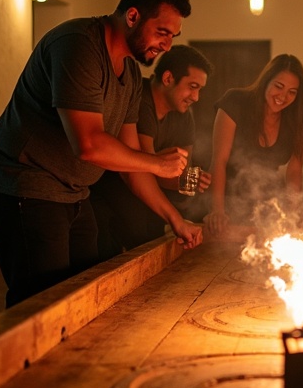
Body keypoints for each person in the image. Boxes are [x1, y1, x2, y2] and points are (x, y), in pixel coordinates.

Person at [0, 0, 203, 307]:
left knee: (85, 292)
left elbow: (129, 161)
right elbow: (89, 143)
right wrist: (157, 163)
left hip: (74, 192)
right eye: (162, 32)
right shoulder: (78, 45)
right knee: (40, 304)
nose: (167, 45)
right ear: (132, 16)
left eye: (173, 36)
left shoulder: (129, 72)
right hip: (25, 181)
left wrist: (175, 219)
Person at [91, 45, 213, 261]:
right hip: (110, 191)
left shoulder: (184, 115)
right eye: (192, 87)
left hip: (148, 198)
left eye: (201, 90)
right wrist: (175, 174)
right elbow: (144, 169)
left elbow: (180, 172)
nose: (196, 97)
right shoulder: (139, 99)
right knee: (139, 233)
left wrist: (192, 180)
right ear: (167, 78)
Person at [203, 54, 303, 235]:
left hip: (267, 204)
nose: (283, 96)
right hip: (225, 198)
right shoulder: (235, 101)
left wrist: (292, 214)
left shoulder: (295, 120)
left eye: (292, 92)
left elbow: (294, 172)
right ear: (266, 81)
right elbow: (219, 160)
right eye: (278, 86)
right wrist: (217, 211)